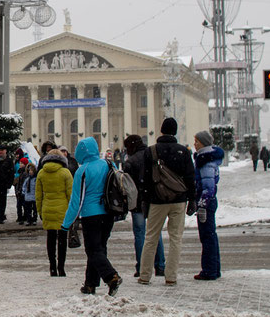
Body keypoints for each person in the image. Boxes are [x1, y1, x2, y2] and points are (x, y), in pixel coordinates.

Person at [138, 117, 196, 287]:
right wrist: (192, 199)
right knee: (176, 238)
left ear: (161, 130)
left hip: (157, 200)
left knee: (151, 238)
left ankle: (145, 275)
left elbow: (145, 179)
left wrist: (145, 200)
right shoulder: (183, 151)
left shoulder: (151, 151)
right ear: (175, 132)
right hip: (179, 200)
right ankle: (171, 276)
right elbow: (190, 178)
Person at [60, 137, 122, 296]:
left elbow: (76, 201)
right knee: (99, 248)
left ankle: (111, 276)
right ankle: (90, 284)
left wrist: (66, 224)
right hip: (108, 213)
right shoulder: (108, 164)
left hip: (91, 215)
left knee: (93, 250)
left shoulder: (83, 171)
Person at [123, 134, 165, 279]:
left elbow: (127, 186)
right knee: (155, 233)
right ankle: (160, 266)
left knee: (140, 234)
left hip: (138, 202)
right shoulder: (153, 155)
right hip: (154, 199)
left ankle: (142, 267)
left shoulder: (130, 162)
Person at [193, 130, 225, 281]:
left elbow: (208, 186)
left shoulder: (205, 161)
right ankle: (214, 268)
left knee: (207, 236)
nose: (195, 144)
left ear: (204, 143)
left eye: (197, 142)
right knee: (210, 235)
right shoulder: (206, 158)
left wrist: (202, 204)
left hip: (206, 202)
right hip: (208, 201)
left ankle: (209, 270)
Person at [35, 149, 72, 275]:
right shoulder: (65, 173)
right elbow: (70, 194)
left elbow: (38, 195)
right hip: (63, 209)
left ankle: (52, 267)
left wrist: (40, 210)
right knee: (62, 240)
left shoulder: (41, 173)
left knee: (50, 239)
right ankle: (61, 267)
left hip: (47, 208)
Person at [13, 150, 26, 224]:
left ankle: (25, 216)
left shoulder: (25, 160)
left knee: (23, 201)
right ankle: (20, 216)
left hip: (22, 181)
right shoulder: (16, 162)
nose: (17, 155)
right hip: (17, 181)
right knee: (18, 200)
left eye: (18, 154)